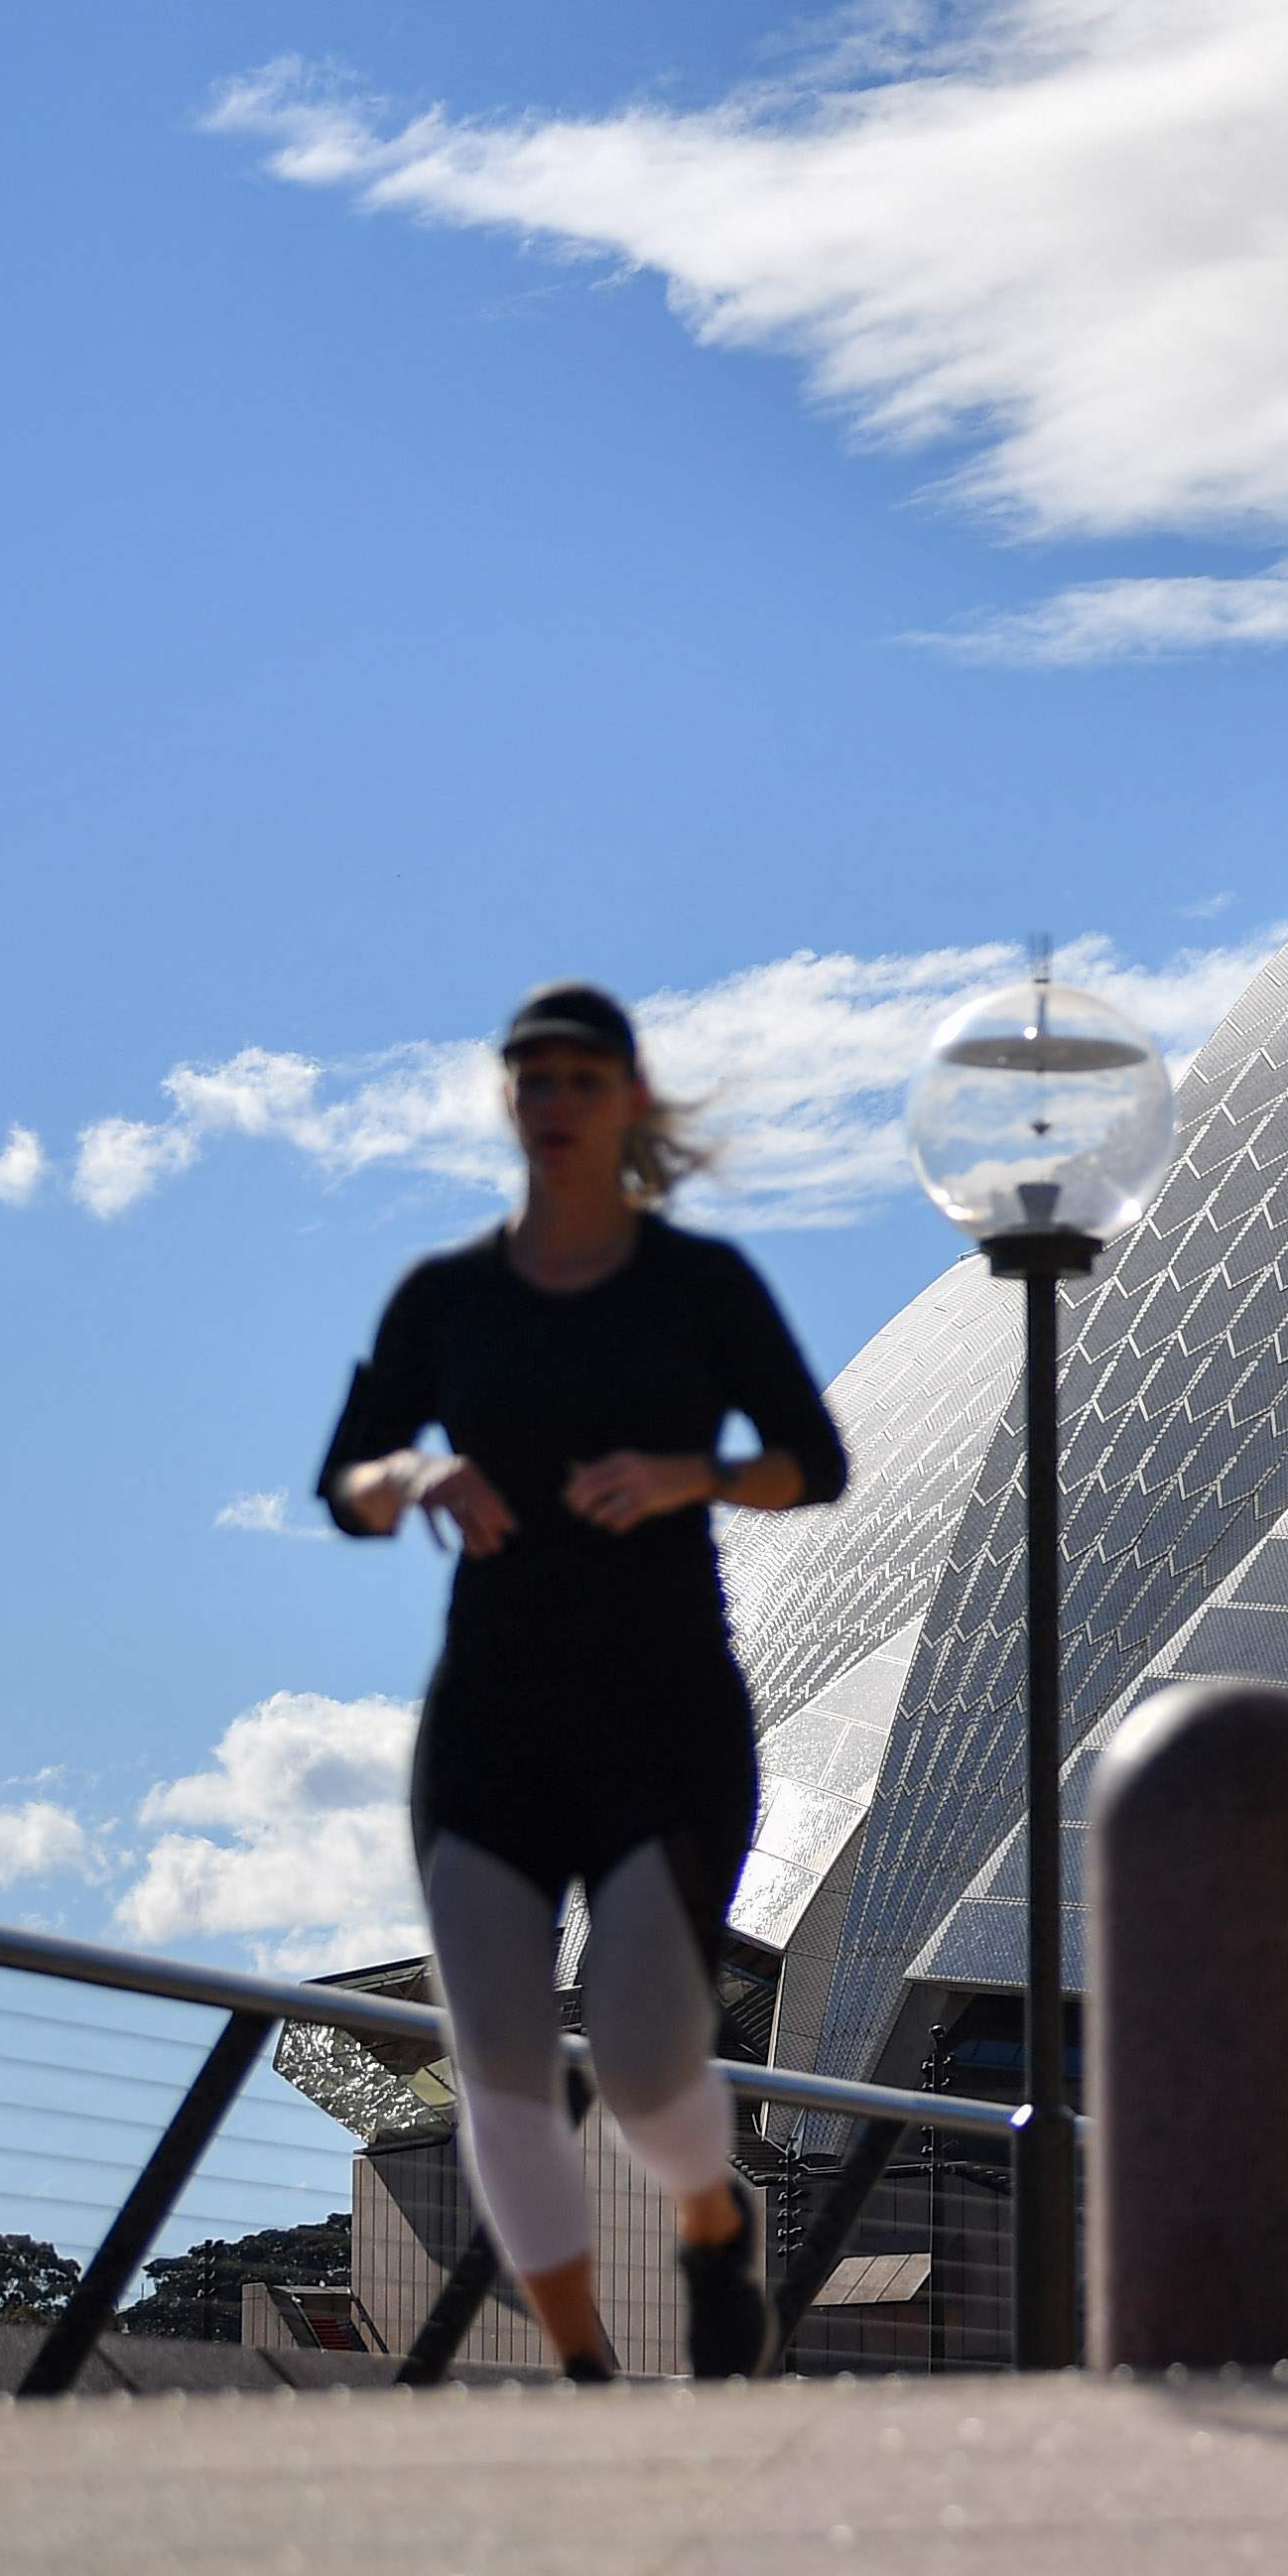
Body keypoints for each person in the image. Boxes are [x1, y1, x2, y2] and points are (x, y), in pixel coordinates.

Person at [317, 985, 843, 2381]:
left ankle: (710, 2217)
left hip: (664, 1711)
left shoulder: (701, 1289)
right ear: (510, 1103)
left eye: (576, 1080)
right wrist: (414, 1470)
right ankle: (584, 2367)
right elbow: (347, 1483)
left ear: (627, 1102)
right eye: (528, 1080)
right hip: (492, 1716)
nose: (550, 1104)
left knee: (641, 2049)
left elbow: (815, 1460)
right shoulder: (449, 1299)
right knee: (492, 2052)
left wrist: (694, 1472)